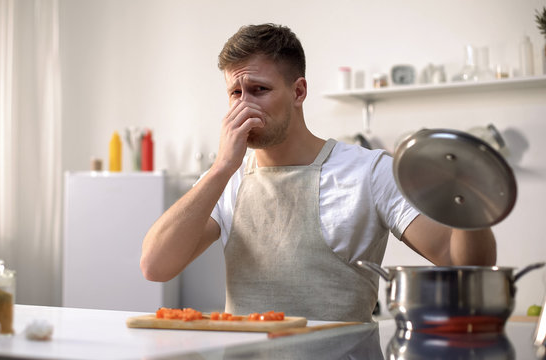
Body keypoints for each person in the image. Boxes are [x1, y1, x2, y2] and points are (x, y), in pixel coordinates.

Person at [140, 23, 496, 322]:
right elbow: (155, 266)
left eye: (259, 90)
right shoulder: (226, 178)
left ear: (299, 91)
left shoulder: (369, 172)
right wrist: (220, 168)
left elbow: (462, 261)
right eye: (235, 92)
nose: (244, 104)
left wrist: (468, 194)